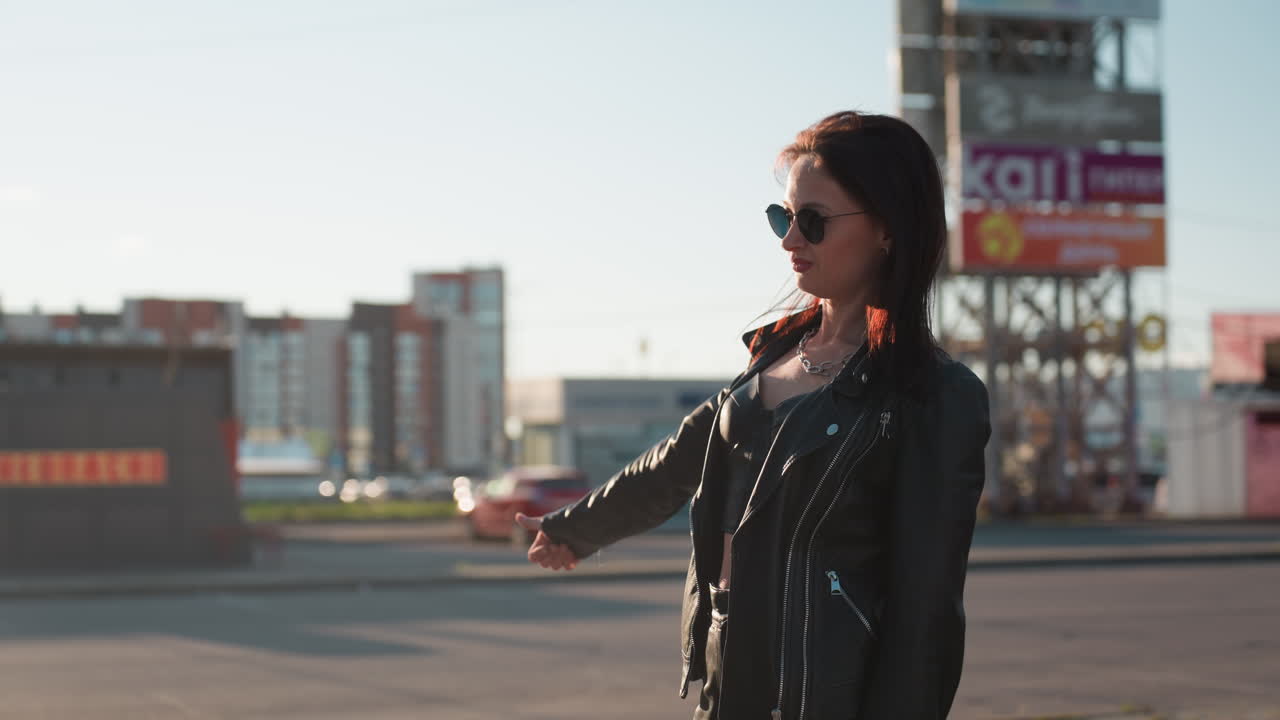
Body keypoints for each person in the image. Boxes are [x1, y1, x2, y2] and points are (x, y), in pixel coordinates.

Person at [514, 110, 991, 719]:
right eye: (782, 218)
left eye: (813, 222)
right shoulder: (774, 352)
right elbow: (675, 463)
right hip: (727, 682)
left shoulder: (933, 395)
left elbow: (926, 615)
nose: (790, 240)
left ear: (888, 229)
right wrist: (572, 528)